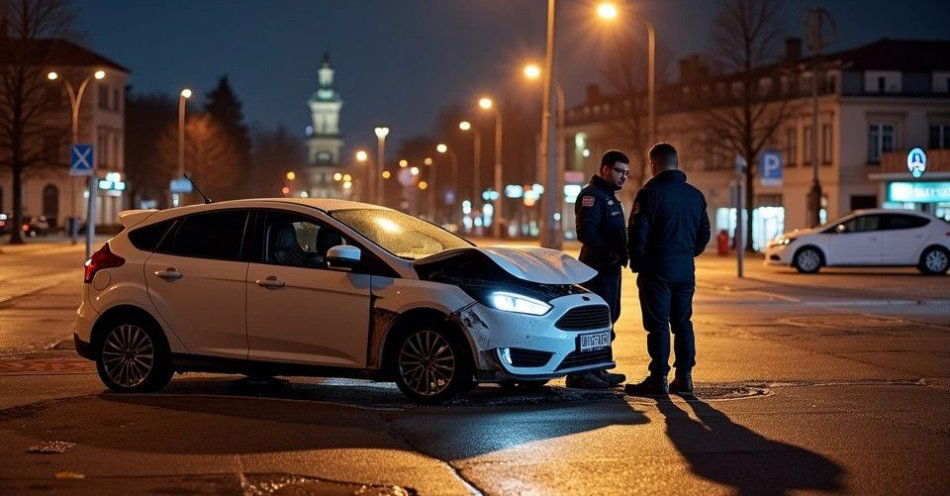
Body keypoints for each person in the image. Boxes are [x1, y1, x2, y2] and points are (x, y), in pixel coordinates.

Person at [624, 143, 710, 396]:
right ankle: (684, 378)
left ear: (653, 165)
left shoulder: (649, 193)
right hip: (684, 270)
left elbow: (637, 233)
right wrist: (686, 254)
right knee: (683, 322)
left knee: (658, 324)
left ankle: (658, 378)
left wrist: (637, 263)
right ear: (676, 162)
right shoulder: (695, 195)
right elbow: (704, 235)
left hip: (656, 270)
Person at [567, 150, 630, 389]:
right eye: (619, 171)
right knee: (593, 320)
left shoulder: (608, 196)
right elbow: (586, 232)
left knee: (608, 318)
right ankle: (581, 374)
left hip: (609, 269)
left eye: (626, 173)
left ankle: (598, 367)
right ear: (605, 169)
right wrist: (609, 254)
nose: (623, 177)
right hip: (595, 269)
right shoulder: (591, 195)